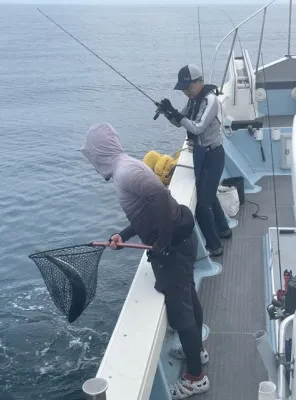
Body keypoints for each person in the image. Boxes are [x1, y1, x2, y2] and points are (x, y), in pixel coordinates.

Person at [80, 122, 210, 399]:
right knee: (188, 295)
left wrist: (162, 241)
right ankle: (196, 349)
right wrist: (122, 234)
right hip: (182, 240)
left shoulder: (126, 172)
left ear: (99, 154)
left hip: (174, 248)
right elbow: (146, 209)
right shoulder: (124, 168)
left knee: (180, 312)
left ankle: (196, 377)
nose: (91, 162)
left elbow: (160, 196)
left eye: (90, 155)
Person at [156, 64, 232, 257]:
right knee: (208, 194)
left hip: (213, 154)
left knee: (202, 204)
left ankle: (215, 246)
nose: (186, 91)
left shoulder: (210, 100)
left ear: (200, 82)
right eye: (183, 88)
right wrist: (168, 112)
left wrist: (178, 114)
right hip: (200, 154)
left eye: (189, 87)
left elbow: (196, 127)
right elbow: (179, 122)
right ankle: (224, 229)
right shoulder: (193, 101)